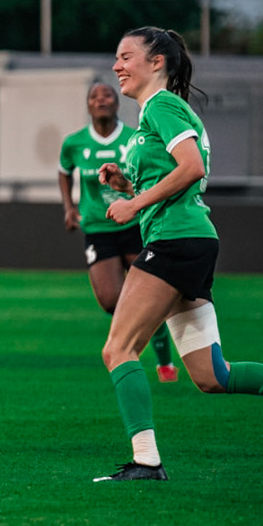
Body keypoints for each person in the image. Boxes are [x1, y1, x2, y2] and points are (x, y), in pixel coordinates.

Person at [91, 26, 263, 481]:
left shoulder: (162, 105)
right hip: (188, 239)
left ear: (157, 62)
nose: (117, 66)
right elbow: (177, 179)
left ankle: (146, 462)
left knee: (118, 349)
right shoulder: (158, 114)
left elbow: (191, 168)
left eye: (126, 56)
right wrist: (128, 185)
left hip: (176, 241)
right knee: (213, 375)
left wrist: (133, 203)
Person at [58, 81, 177, 381]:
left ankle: (164, 363)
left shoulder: (134, 138)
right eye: (94, 96)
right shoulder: (75, 143)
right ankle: (143, 328)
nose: (101, 100)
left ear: (116, 102)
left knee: (150, 295)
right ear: (87, 105)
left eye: (107, 95)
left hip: (135, 224)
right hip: (98, 228)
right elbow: (63, 171)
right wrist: (69, 208)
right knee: (111, 300)